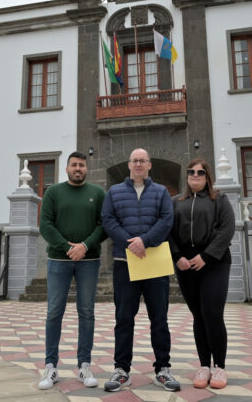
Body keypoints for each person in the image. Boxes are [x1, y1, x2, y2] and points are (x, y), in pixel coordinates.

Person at [101, 148, 180, 392]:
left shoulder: (161, 192)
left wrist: (143, 241)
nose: (138, 164)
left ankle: (163, 370)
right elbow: (108, 219)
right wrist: (130, 242)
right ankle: (122, 369)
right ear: (129, 165)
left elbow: (167, 220)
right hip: (125, 264)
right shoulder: (114, 192)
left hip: (154, 263)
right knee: (124, 318)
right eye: (134, 161)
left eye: (142, 161)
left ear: (149, 165)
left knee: (159, 318)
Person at [37, 152, 106, 390]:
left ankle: (84, 365)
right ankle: (50, 366)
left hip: (90, 260)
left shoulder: (97, 194)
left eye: (82, 165)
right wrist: (68, 248)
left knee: (86, 312)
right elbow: (45, 225)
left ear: (87, 169)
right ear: (66, 169)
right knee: (54, 311)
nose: (78, 168)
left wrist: (85, 246)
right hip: (59, 260)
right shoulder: (53, 192)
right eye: (74, 165)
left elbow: (104, 225)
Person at [169, 158, 235, 389]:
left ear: (207, 177)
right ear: (187, 176)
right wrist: (178, 257)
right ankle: (204, 365)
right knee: (198, 315)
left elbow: (227, 230)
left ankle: (220, 368)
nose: (195, 175)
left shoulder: (220, 200)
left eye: (200, 172)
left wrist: (206, 257)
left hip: (214, 262)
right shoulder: (176, 202)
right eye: (191, 172)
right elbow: (169, 232)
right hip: (186, 264)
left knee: (212, 313)